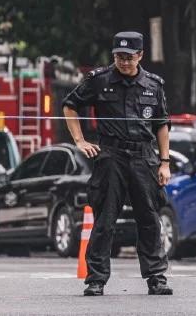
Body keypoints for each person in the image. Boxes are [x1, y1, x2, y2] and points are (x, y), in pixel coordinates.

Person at [61, 31, 171, 297]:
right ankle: (95, 279)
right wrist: (80, 140)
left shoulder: (153, 85)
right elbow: (70, 105)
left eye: (129, 57)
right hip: (111, 156)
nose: (123, 62)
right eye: (119, 57)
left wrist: (164, 162)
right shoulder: (99, 80)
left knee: (149, 219)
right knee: (104, 220)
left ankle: (156, 277)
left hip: (144, 157)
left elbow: (162, 125)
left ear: (140, 56)